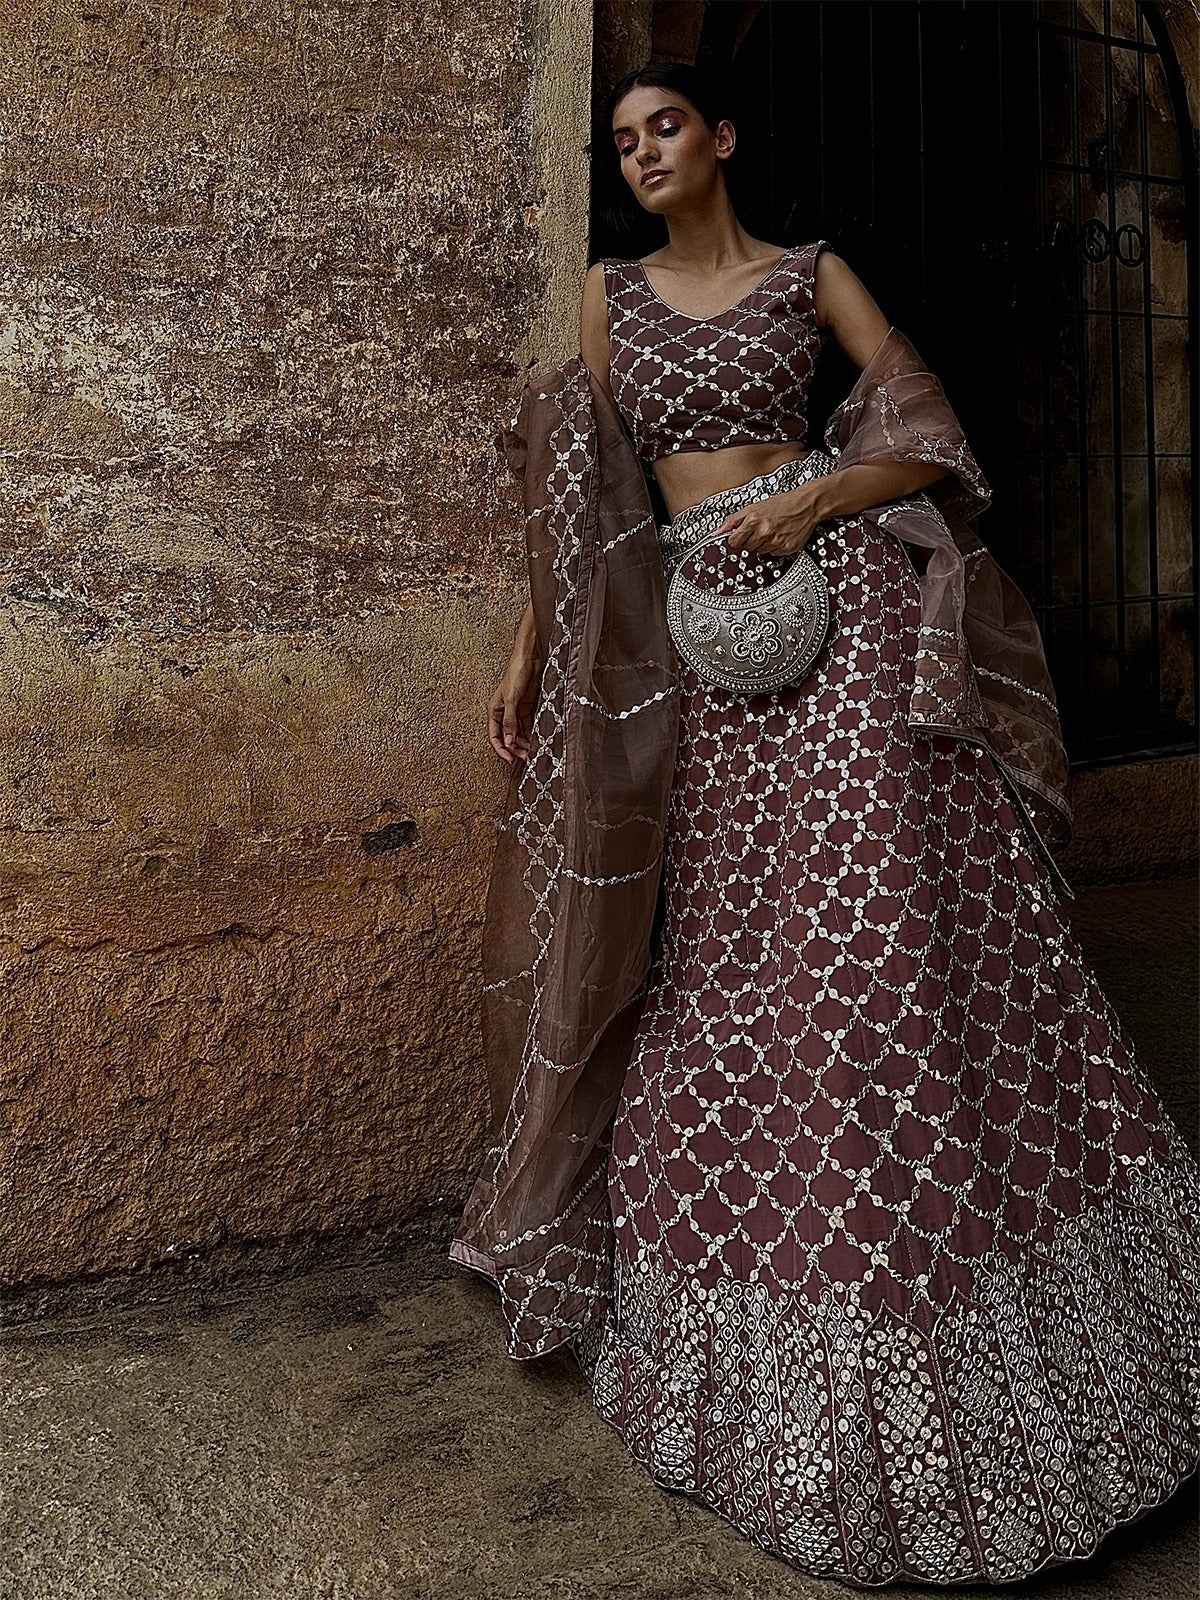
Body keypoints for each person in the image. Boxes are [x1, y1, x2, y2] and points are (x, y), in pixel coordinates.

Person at [455, 61, 1200, 1589]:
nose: (643, 152)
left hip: (841, 616)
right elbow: (582, 503)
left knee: (883, 928)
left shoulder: (812, 276)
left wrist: (809, 504)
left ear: (721, 138)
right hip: (699, 651)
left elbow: (930, 439)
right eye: (622, 139)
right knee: (743, 949)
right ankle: (800, 1296)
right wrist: (531, 656)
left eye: (666, 126)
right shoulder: (609, 297)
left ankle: (993, 1318)